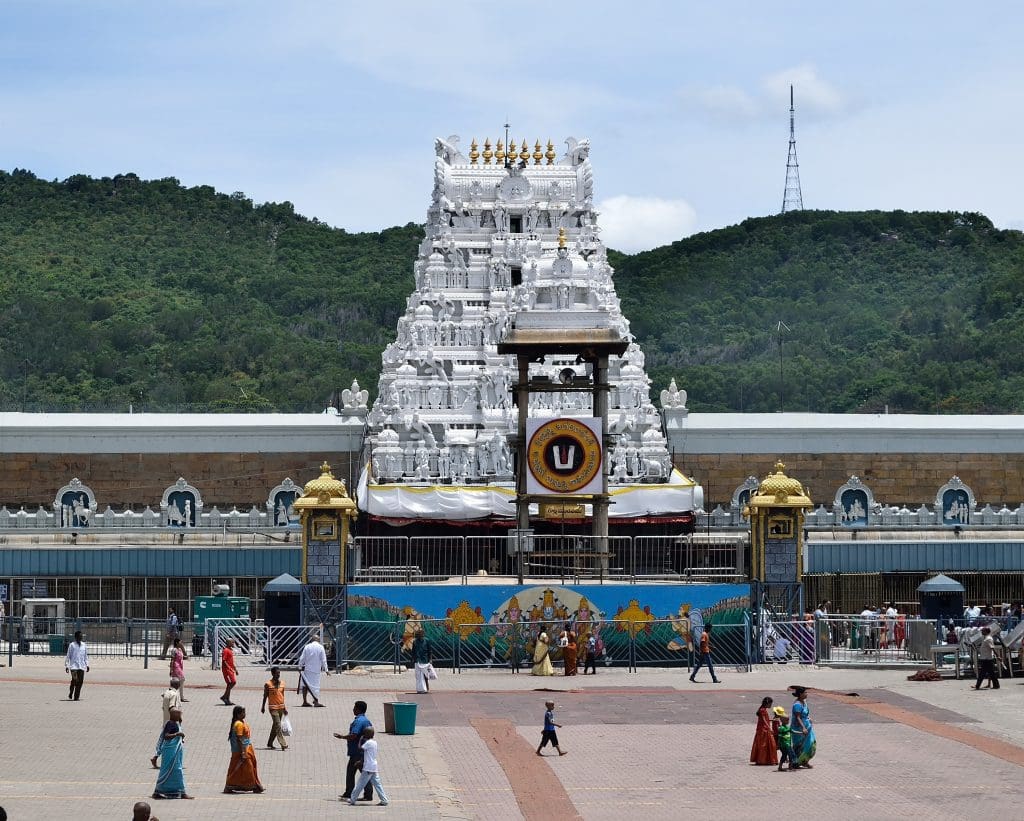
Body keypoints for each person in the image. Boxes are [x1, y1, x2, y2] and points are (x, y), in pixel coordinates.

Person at [335, 700, 373, 802]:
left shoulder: (359, 721)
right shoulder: (366, 720)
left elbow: (354, 735)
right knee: (361, 773)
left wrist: (342, 737)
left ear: (358, 709)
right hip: (361, 752)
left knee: (355, 773)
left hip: (357, 752)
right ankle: (363, 794)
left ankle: (355, 793)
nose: (353, 709)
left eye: (354, 707)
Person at [152, 707, 193, 800]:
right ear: (173, 715)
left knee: (171, 771)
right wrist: (177, 734)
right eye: (178, 714)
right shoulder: (170, 724)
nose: (180, 715)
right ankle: (182, 792)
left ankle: (160, 791)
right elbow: (166, 736)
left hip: (174, 752)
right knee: (176, 770)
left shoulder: (175, 723)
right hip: (170, 752)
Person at [224, 705, 264, 794]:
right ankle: (252, 786)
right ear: (238, 715)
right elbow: (239, 739)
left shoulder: (241, 722)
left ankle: (253, 785)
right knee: (247, 768)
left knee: (245, 768)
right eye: (243, 713)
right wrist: (243, 752)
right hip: (241, 750)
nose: (244, 714)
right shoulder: (239, 724)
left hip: (245, 749)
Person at [346, 727, 389, 806]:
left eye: (364, 734)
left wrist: (360, 739)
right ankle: (384, 800)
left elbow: (360, 748)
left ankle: (352, 799)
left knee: (360, 784)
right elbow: (367, 754)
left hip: (368, 767)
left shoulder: (368, 743)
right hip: (373, 766)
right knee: (377, 784)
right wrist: (361, 761)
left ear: (366, 735)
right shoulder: (374, 742)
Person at [151, 678, 182, 769]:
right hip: (172, 722)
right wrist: (178, 718)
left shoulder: (167, 692)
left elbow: (164, 698)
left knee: (162, 739)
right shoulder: (174, 694)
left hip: (166, 720)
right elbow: (172, 707)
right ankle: (161, 758)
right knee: (172, 740)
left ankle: (156, 757)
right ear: (178, 685)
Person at [261, 666, 289, 750]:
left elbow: (282, 696)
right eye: (277, 673)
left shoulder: (282, 683)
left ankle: (270, 743)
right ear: (272, 674)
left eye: (279, 673)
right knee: (278, 725)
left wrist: (284, 708)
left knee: (275, 726)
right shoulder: (268, 684)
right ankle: (283, 744)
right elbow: (265, 696)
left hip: (281, 707)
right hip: (273, 708)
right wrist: (263, 706)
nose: (278, 675)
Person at [297, 633, 328, 707]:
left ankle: (304, 701)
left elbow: (302, 658)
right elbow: (323, 660)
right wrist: (326, 670)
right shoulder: (320, 647)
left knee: (305, 685)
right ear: (318, 640)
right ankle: (316, 701)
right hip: (316, 670)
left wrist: (299, 666)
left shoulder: (307, 647)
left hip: (307, 669)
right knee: (316, 686)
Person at [790, 686, 816, 768]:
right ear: (800, 694)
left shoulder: (804, 702)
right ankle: (794, 762)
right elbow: (798, 717)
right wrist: (803, 728)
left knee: (810, 744)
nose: (806, 694)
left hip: (807, 727)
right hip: (799, 729)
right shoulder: (797, 705)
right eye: (805, 692)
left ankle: (805, 761)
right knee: (799, 746)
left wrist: (808, 718)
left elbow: (805, 714)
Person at [750, 696, 779, 765]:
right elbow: (764, 720)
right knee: (766, 745)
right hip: (764, 730)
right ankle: (765, 760)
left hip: (763, 729)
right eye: (770, 704)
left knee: (764, 745)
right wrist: (770, 728)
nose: (771, 705)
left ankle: (765, 760)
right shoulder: (762, 710)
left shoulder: (763, 709)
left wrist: (772, 720)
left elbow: (765, 719)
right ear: (767, 703)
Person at [64, 630, 89, 701]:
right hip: (73, 667)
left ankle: (76, 697)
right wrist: (67, 666)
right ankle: (71, 691)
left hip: (81, 666)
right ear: (76, 637)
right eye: (79, 636)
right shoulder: (72, 645)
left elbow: (85, 656)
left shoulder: (84, 645)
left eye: (81, 636)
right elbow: (68, 655)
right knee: (75, 680)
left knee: (80, 682)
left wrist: (87, 665)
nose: (81, 637)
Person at [412, 627, 433, 694]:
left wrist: (430, 659)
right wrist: (413, 659)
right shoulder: (415, 642)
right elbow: (413, 651)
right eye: (418, 636)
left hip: (425, 660)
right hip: (418, 660)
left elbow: (430, 651)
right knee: (418, 676)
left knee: (425, 675)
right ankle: (419, 689)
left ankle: (426, 688)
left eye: (420, 635)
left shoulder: (427, 641)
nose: (420, 637)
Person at [774, 707, 794, 771]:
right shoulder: (781, 728)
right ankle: (781, 766)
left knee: (791, 755)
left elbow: (792, 731)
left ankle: (790, 766)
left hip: (788, 744)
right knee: (785, 756)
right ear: (782, 720)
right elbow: (779, 737)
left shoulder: (787, 727)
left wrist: (801, 732)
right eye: (787, 720)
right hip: (784, 745)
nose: (788, 721)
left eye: (788, 720)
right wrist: (778, 744)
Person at [169, 637, 188, 702]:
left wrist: (183, 648)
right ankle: (180, 697)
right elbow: (172, 660)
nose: (181, 643)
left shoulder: (180, 649)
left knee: (177, 682)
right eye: (180, 642)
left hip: (180, 667)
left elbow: (185, 655)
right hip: (176, 667)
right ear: (177, 643)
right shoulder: (174, 650)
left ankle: (175, 696)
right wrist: (171, 669)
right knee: (182, 680)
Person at [220, 637, 237, 706]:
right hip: (227, 671)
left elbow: (231, 661)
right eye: (232, 642)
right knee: (232, 682)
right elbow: (224, 661)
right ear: (228, 643)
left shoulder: (230, 650)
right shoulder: (225, 650)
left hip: (230, 670)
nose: (233, 643)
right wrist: (229, 668)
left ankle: (227, 699)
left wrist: (235, 669)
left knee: (230, 684)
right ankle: (224, 697)